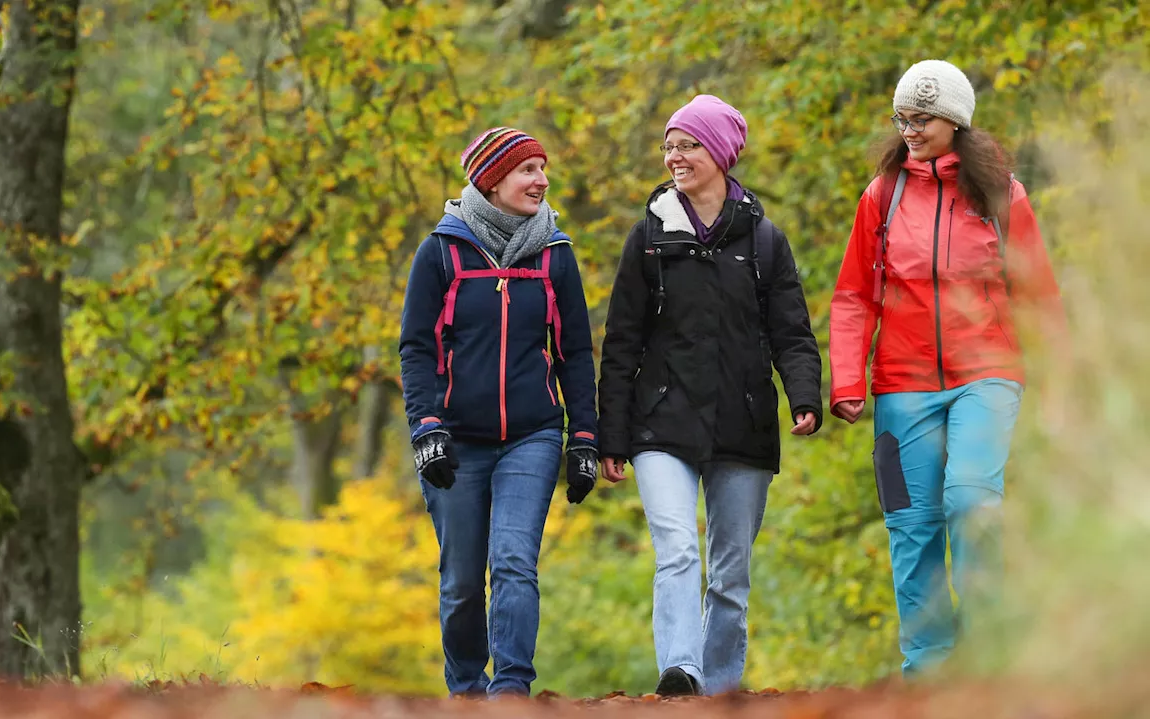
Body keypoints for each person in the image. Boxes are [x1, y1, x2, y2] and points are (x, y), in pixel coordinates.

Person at [828, 59, 1065, 677]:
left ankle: (990, 663)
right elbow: (855, 294)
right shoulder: (883, 195)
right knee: (911, 525)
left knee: (971, 503)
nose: (908, 128)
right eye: (902, 116)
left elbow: (1038, 292)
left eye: (922, 117)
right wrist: (849, 379)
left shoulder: (999, 193)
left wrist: (1065, 378)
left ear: (954, 122)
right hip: (902, 386)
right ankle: (930, 673)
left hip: (987, 374)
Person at [597, 95, 823, 696]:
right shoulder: (646, 239)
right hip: (661, 424)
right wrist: (610, 435)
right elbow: (621, 344)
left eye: (688, 144)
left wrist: (803, 395)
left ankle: (718, 691)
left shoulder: (766, 242)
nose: (675, 156)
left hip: (742, 425)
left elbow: (791, 333)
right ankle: (681, 671)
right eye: (670, 145)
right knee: (675, 548)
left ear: (720, 153)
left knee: (730, 572)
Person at [398, 127, 600, 698]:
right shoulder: (441, 252)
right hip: (456, 438)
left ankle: (511, 691)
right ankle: (465, 691)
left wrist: (583, 434)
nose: (542, 180)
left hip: (532, 436)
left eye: (543, 168)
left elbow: (576, 351)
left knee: (513, 560)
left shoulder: (555, 255)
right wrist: (426, 427)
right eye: (527, 169)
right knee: (462, 580)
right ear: (491, 179)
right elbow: (417, 347)